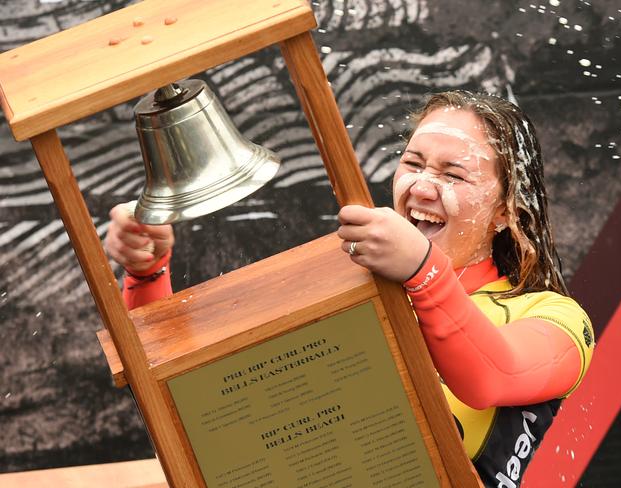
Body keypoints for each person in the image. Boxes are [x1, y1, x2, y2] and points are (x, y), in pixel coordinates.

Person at [105, 91, 594, 487]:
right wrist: (146, 272)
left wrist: (424, 273)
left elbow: (492, 376)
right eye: (414, 163)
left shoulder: (554, 317)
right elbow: (188, 399)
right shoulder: (345, 293)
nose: (422, 187)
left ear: (508, 209)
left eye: (453, 174)